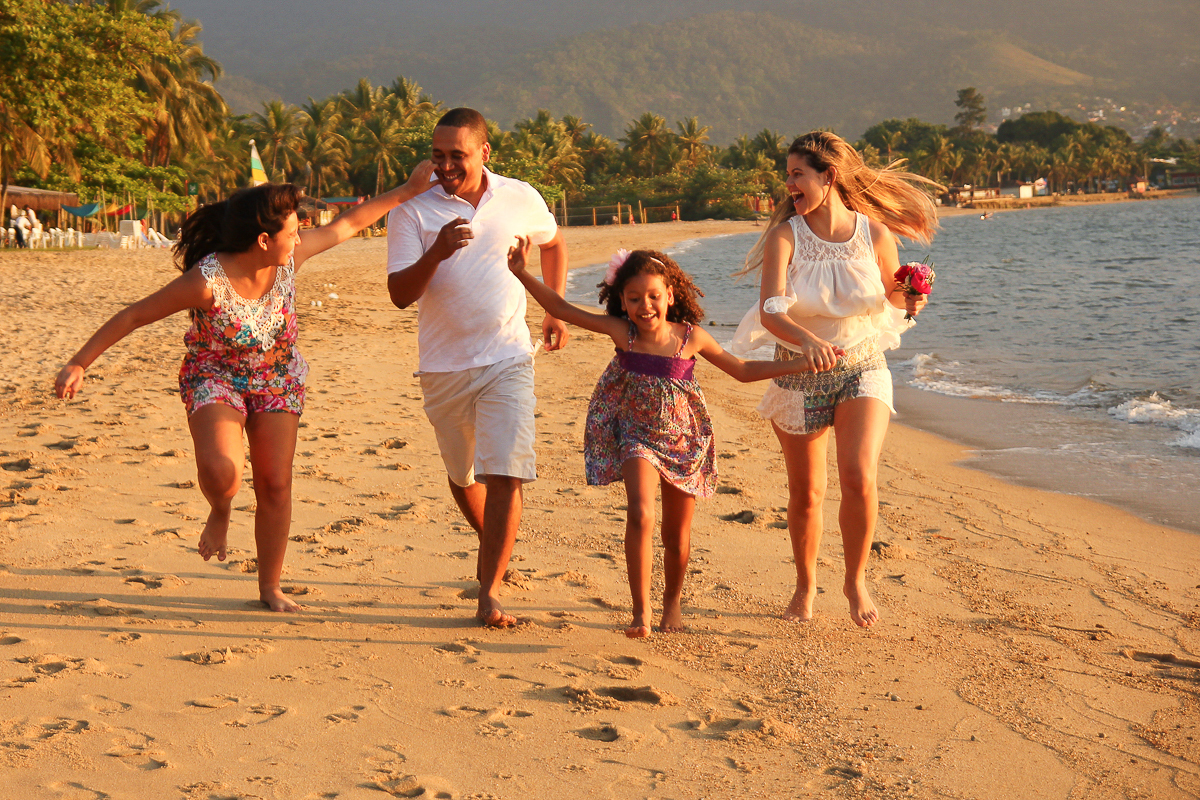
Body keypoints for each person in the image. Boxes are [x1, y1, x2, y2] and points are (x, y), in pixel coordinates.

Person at [54, 163, 439, 612]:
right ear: (263, 240)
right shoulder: (207, 281)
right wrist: (79, 362)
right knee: (224, 471)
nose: (301, 237)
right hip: (215, 375)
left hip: (277, 377)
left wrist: (408, 190)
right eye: (293, 231)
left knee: (275, 484)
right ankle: (220, 510)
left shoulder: (289, 257)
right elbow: (135, 315)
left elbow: (349, 222)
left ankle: (269, 587)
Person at [508, 243, 817, 638]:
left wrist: (801, 362)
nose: (645, 306)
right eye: (634, 298)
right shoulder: (623, 332)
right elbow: (565, 310)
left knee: (676, 534)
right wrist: (522, 272)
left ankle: (672, 602)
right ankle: (641, 611)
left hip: (683, 440)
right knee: (640, 512)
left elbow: (741, 369)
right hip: (635, 434)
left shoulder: (692, 337)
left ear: (670, 296)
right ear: (622, 300)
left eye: (654, 296)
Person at [731, 131, 939, 628]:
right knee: (806, 493)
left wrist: (912, 300)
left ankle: (855, 580)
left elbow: (893, 299)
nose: (789, 185)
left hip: (863, 366)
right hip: (798, 374)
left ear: (829, 176)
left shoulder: (875, 235)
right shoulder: (787, 236)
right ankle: (805, 586)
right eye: (787, 176)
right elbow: (770, 310)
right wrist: (806, 341)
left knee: (858, 476)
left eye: (797, 174)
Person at [386, 107, 570, 629]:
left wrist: (554, 308)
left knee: (506, 472)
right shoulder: (412, 214)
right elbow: (401, 294)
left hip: (508, 357)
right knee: (463, 474)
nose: (445, 166)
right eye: (437, 155)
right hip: (443, 366)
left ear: (484, 153)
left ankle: (489, 590)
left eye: (457, 156)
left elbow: (554, 241)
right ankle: (493, 542)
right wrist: (437, 252)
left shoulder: (520, 196)